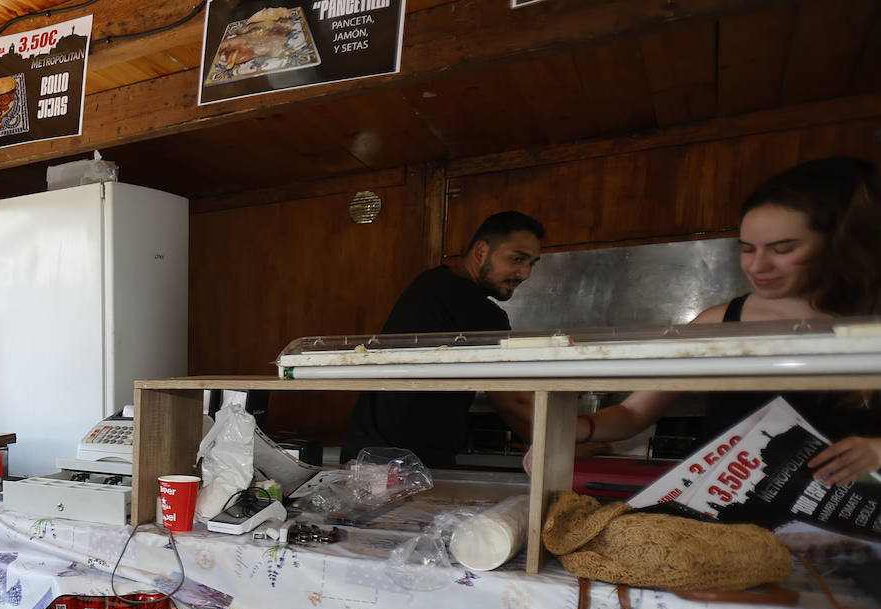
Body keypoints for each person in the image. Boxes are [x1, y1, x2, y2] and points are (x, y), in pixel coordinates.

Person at [569, 157, 881, 487]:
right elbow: (634, 413)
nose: (757, 265)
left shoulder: (870, 323)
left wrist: (877, 449)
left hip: (846, 525)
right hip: (720, 523)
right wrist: (578, 429)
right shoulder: (718, 322)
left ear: (837, 245)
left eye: (782, 248)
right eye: (747, 248)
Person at [340, 210, 544, 467]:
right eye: (517, 259)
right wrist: (569, 442)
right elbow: (513, 402)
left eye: (532, 264)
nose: (525, 273)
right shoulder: (478, 310)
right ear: (481, 251)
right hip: (407, 465)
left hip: (365, 452)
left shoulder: (431, 282)